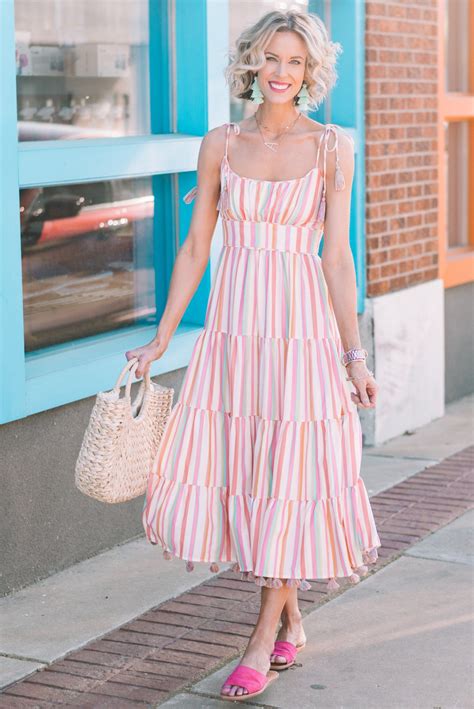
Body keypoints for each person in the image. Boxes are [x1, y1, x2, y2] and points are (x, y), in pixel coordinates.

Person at [126, 9, 381, 703]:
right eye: (272, 57)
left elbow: (336, 257)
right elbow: (194, 247)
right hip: (236, 335)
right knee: (253, 474)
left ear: (310, 72)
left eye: (295, 61)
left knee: (290, 475)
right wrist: (160, 335)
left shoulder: (332, 147)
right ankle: (292, 614)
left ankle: (261, 637)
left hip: (301, 337)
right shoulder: (220, 144)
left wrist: (354, 353)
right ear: (252, 62)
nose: (281, 72)